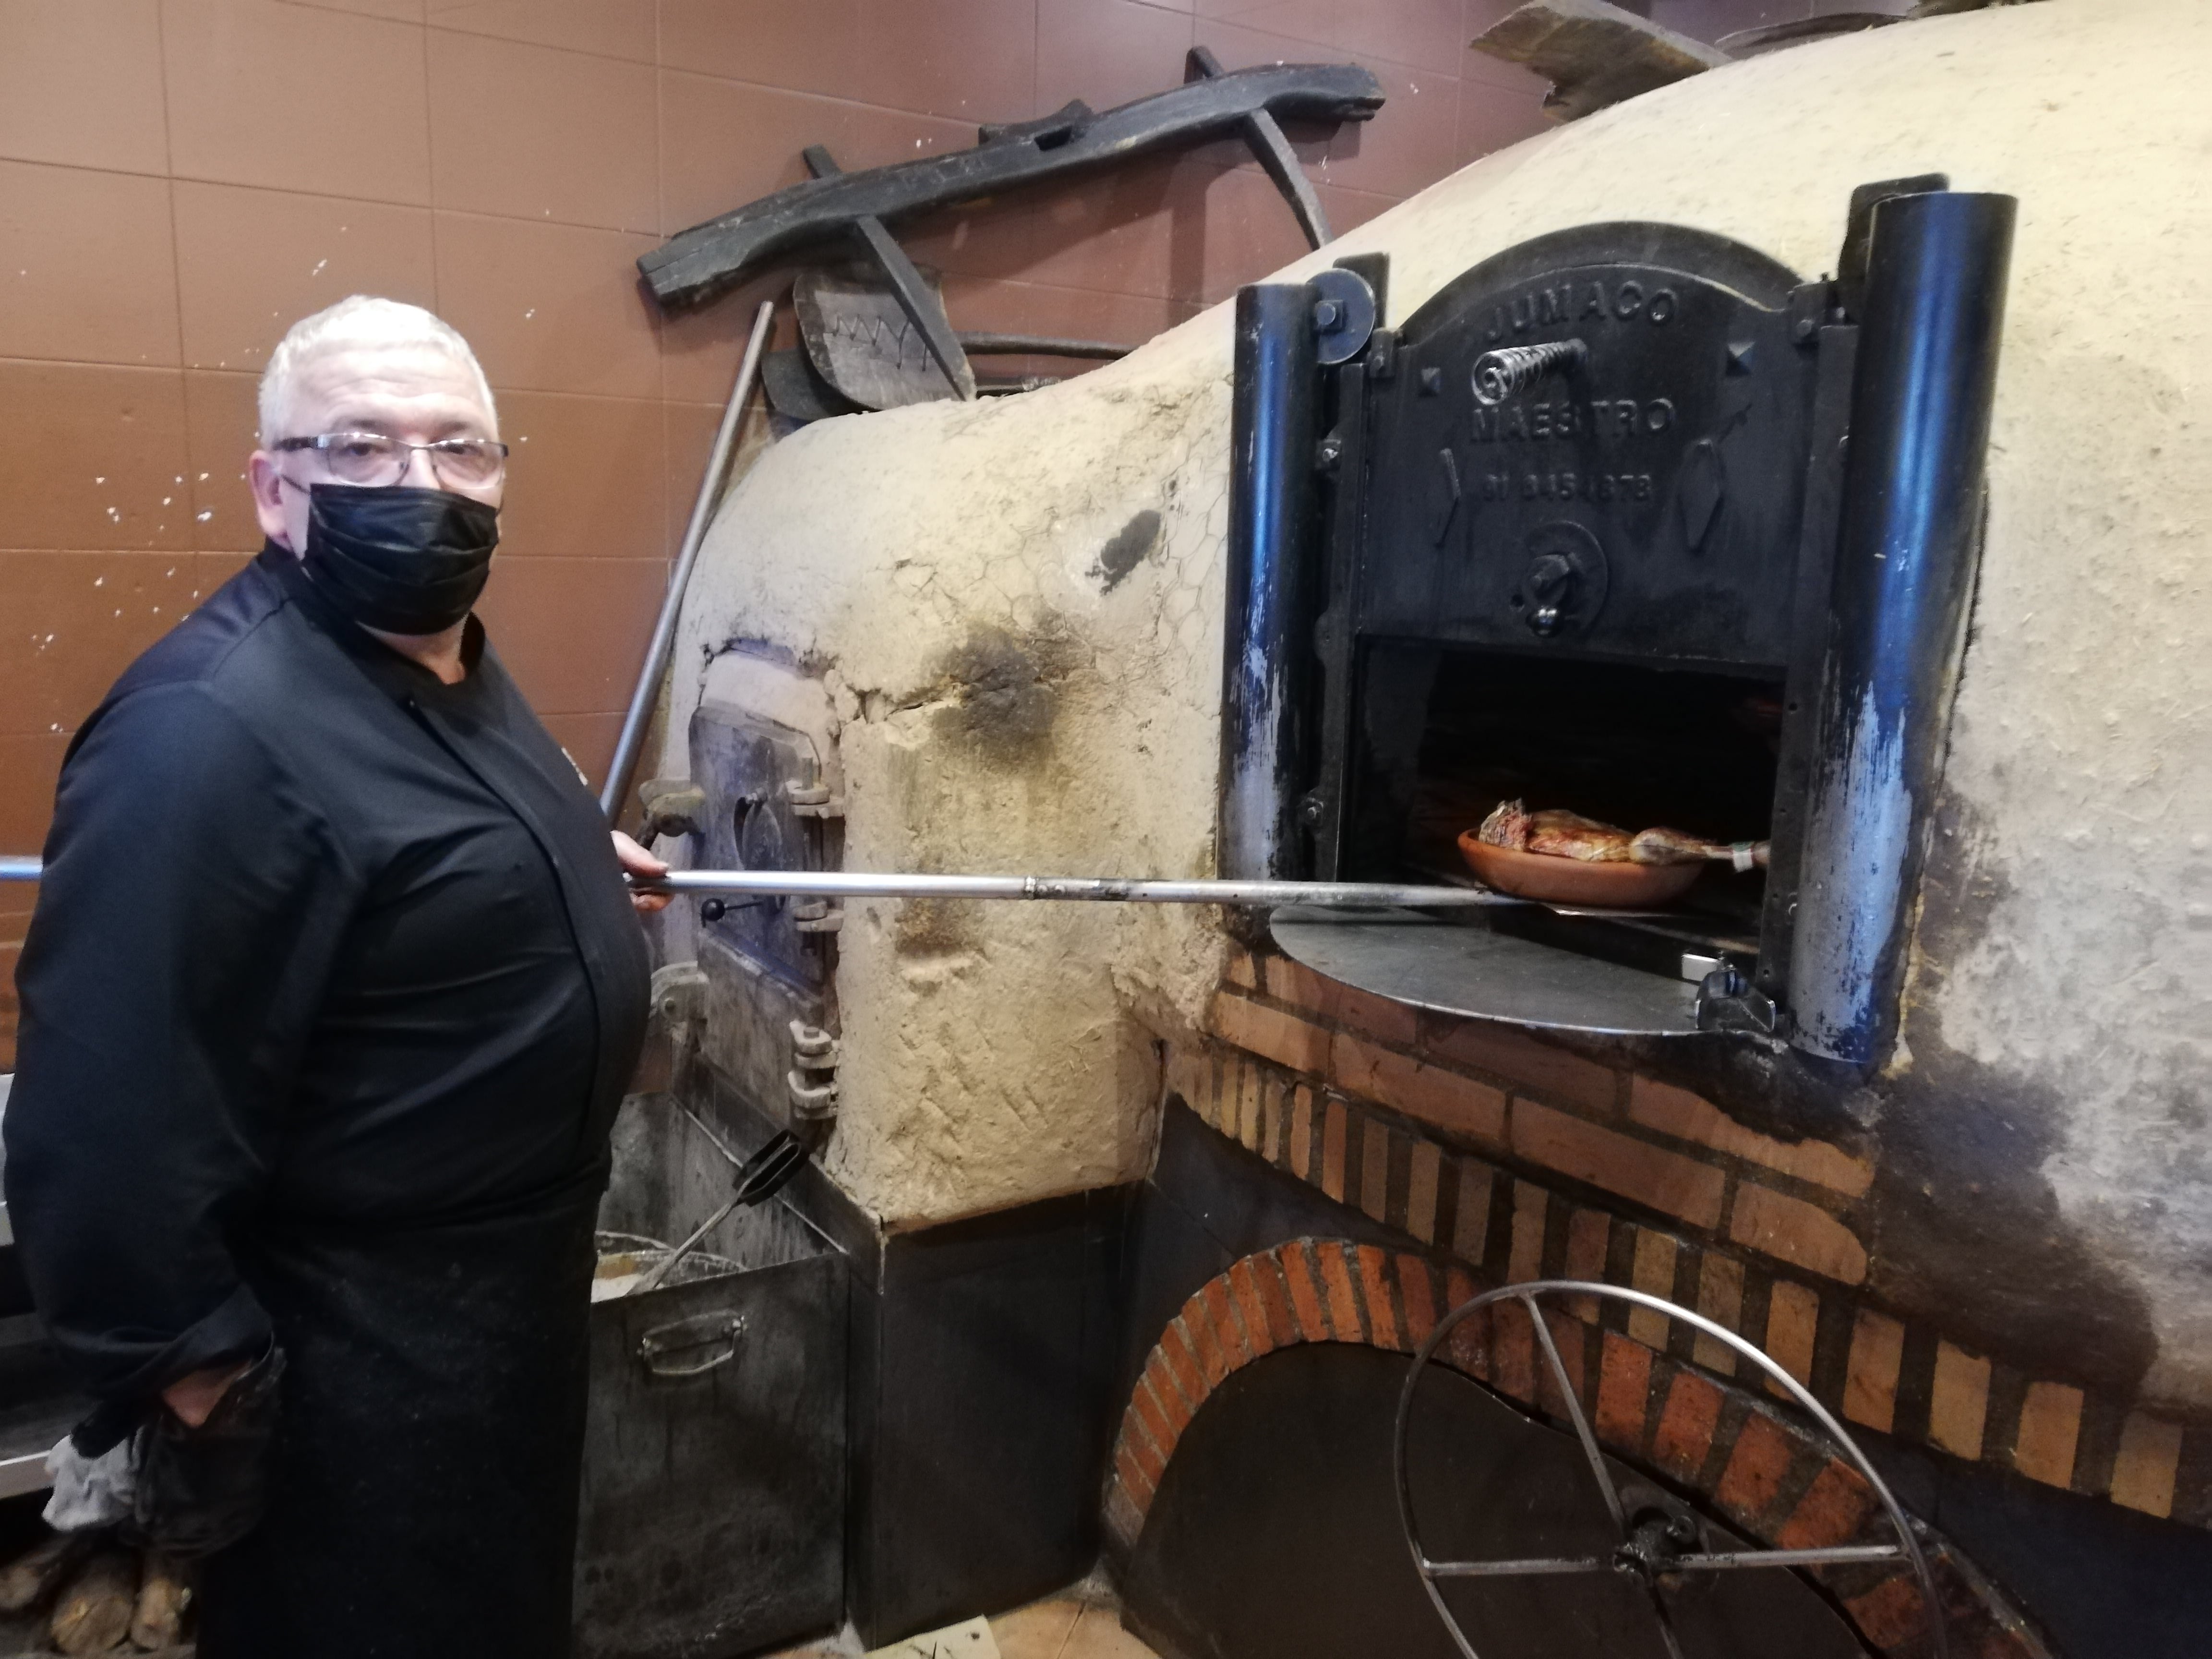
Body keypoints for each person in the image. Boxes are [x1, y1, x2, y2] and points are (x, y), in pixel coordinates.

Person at [5, 295, 673, 1655]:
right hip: (346, 1364)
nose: (419, 488)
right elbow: (99, 1128)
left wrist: (547, 860)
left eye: (458, 450)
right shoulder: (203, 733)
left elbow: (397, 832)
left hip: (496, 1322)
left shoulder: (441, 664)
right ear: (273, 488)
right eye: (360, 450)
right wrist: (205, 1389)